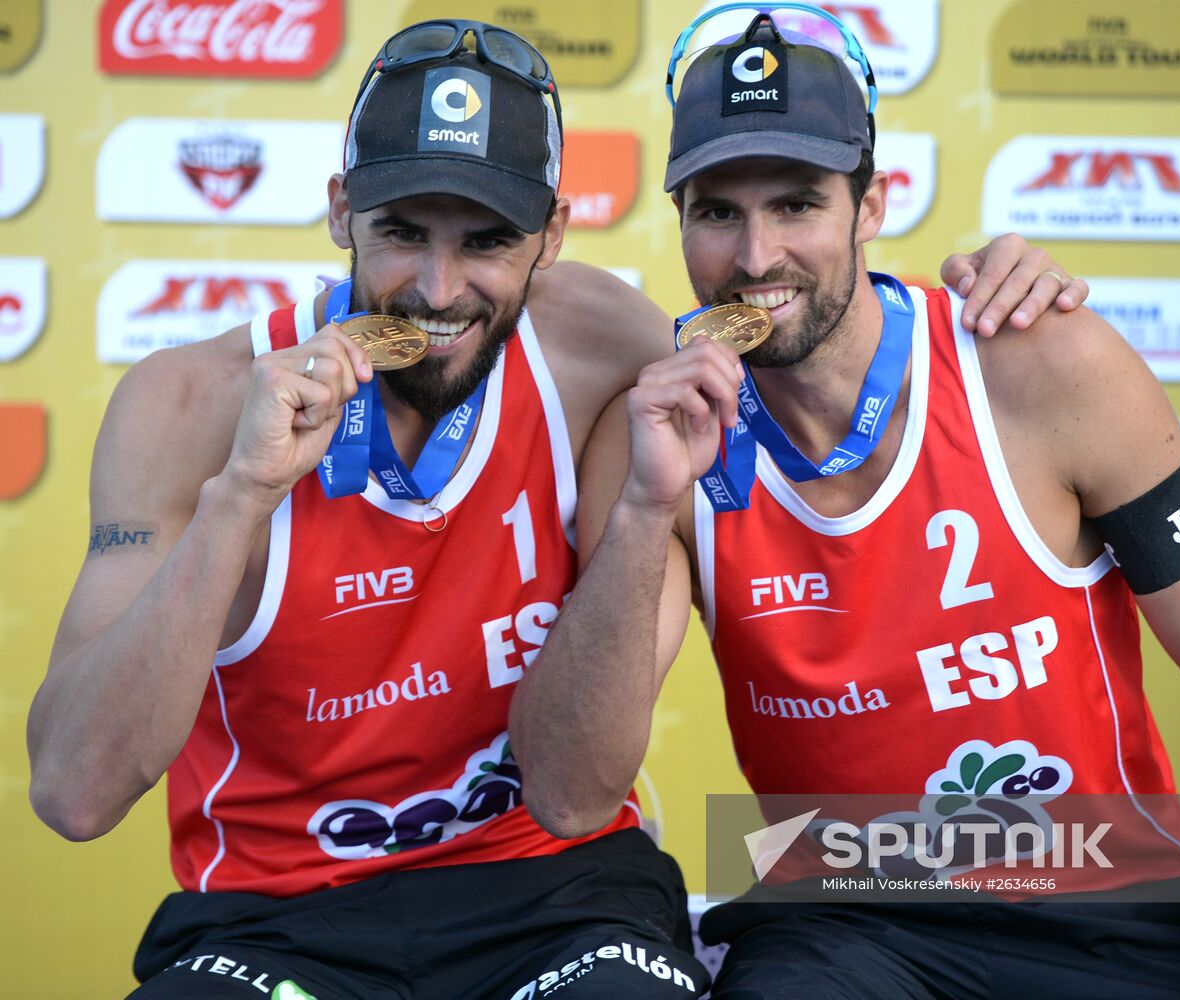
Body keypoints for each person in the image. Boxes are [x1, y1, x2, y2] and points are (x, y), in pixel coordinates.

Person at [26, 17, 1085, 1000]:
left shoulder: (597, 347)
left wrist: (993, 292)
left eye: (486, 240)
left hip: (554, 898)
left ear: (553, 234)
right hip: (271, 918)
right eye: (402, 230)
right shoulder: (188, 404)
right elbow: (75, 793)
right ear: (342, 206)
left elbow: (805, 330)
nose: (437, 291)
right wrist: (241, 497)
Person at [509, 8, 1180, 1000]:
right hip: (845, 921)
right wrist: (639, 509)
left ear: (873, 204)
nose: (757, 257)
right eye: (717, 212)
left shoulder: (1039, 363)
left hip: (1109, 906)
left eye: (797, 203)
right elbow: (567, 791)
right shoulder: (666, 434)